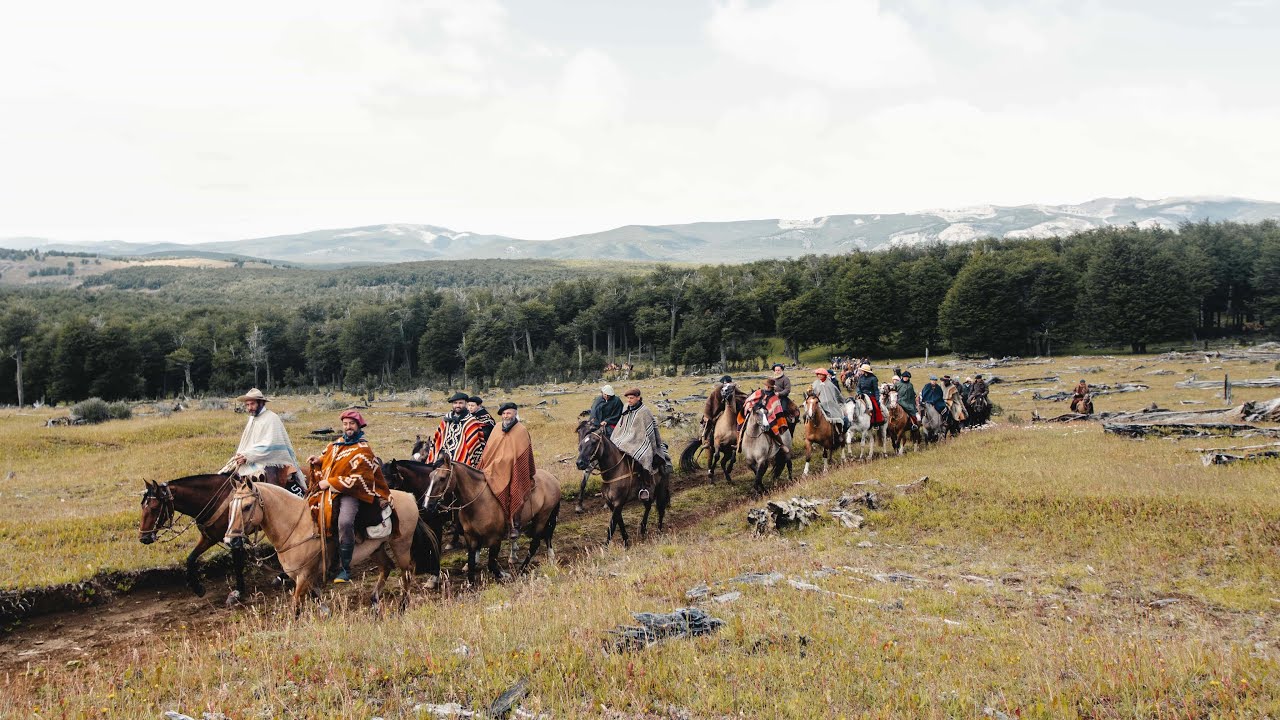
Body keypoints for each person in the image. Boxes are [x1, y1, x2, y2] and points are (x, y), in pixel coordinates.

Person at [307, 409, 391, 584]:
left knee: (345, 522)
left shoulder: (363, 449)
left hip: (352, 492)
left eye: (351, 424)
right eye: (345, 424)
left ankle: (345, 568)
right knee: (310, 511)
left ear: (358, 425)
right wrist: (318, 461)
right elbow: (328, 459)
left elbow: (359, 479)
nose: (348, 427)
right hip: (330, 490)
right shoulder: (337, 443)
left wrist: (330, 483)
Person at [227, 388, 306, 496]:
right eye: (247, 405)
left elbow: (271, 445)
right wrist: (242, 455)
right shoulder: (252, 419)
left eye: (252, 404)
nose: (250, 408)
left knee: (271, 488)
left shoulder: (272, 418)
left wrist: (248, 456)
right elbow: (247, 443)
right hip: (253, 459)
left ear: (261, 403)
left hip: (271, 459)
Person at [478, 402, 536, 540]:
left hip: (513, 470)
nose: (505, 416)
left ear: (515, 413)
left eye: (508, 413)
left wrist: (507, 461)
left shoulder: (521, 430)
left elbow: (522, 454)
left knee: (514, 490)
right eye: (503, 414)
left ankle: (514, 524)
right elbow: (489, 450)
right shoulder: (497, 427)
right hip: (493, 468)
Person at [610, 388, 670, 502]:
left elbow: (649, 431)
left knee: (643, 457)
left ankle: (645, 487)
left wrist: (652, 446)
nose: (629, 400)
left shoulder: (644, 411)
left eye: (631, 398)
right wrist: (620, 438)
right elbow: (622, 425)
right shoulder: (625, 407)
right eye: (628, 398)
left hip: (641, 441)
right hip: (624, 439)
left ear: (638, 398)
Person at [420, 391, 488, 466]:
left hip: (463, 459)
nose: (457, 405)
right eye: (455, 403)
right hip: (442, 456)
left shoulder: (471, 422)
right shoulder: (446, 420)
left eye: (460, 403)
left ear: (466, 404)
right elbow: (437, 439)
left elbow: (474, 444)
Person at [741, 378, 789, 451]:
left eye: (767, 386)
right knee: (742, 421)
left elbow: (775, 410)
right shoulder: (759, 392)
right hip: (755, 412)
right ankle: (739, 442)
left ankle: (781, 444)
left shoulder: (774, 398)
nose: (766, 387)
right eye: (766, 385)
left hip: (767, 415)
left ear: (770, 387)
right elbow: (749, 400)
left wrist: (765, 413)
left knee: (773, 427)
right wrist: (750, 408)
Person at [811, 368, 847, 436]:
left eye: (821, 374)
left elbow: (837, 394)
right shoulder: (815, 384)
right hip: (820, 405)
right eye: (818, 374)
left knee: (836, 416)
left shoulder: (830, 384)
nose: (819, 376)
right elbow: (812, 394)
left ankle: (839, 433)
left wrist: (841, 402)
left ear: (825, 375)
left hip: (831, 405)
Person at [771, 363, 799, 433]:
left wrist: (779, 394)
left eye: (778, 370)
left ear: (782, 370)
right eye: (776, 370)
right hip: (772, 398)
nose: (777, 371)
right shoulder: (772, 379)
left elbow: (787, 390)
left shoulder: (785, 379)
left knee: (783, 410)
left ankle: (788, 421)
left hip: (782, 398)